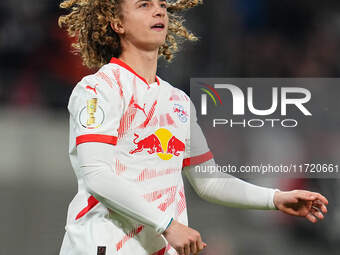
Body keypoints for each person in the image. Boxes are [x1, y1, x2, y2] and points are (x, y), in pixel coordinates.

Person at [58, 1, 328, 255]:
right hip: (102, 245)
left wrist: (276, 198)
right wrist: (168, 225)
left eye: (162, 5)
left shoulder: (178, 102)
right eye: (144, 5)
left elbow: (208, 181)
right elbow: (96, 174)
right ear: (117, 22)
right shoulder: (98, 89)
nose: (159, 11)